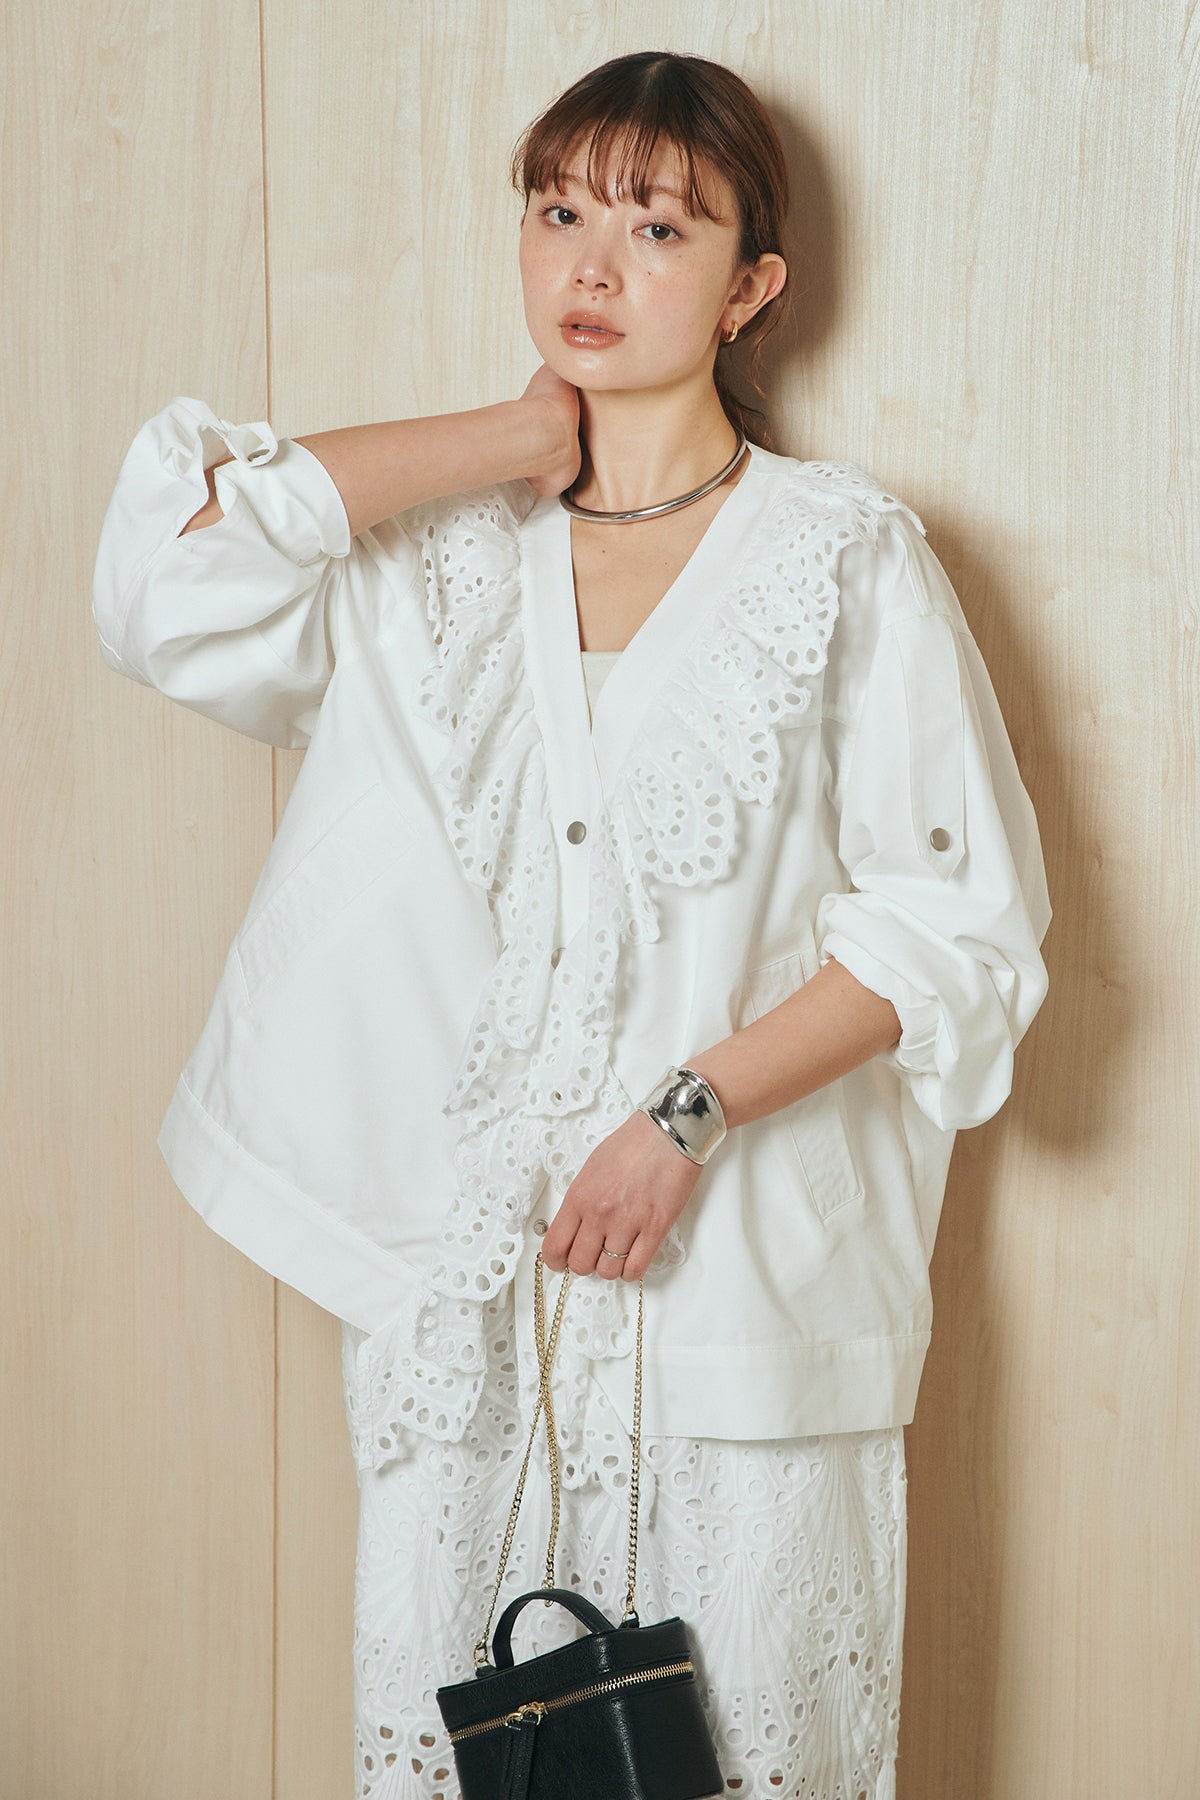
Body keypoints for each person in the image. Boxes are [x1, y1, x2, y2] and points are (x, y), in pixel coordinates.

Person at [92, 48, 1051, 1800]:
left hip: (739, 1329)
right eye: (558, 213)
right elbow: (166, 580)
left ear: (753, 285)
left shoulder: (844, 560)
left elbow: (958, 931)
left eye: (659, 228)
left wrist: (687, 1116)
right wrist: (509, 438)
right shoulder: (432, 564)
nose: (593, 266)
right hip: (474, 1336)